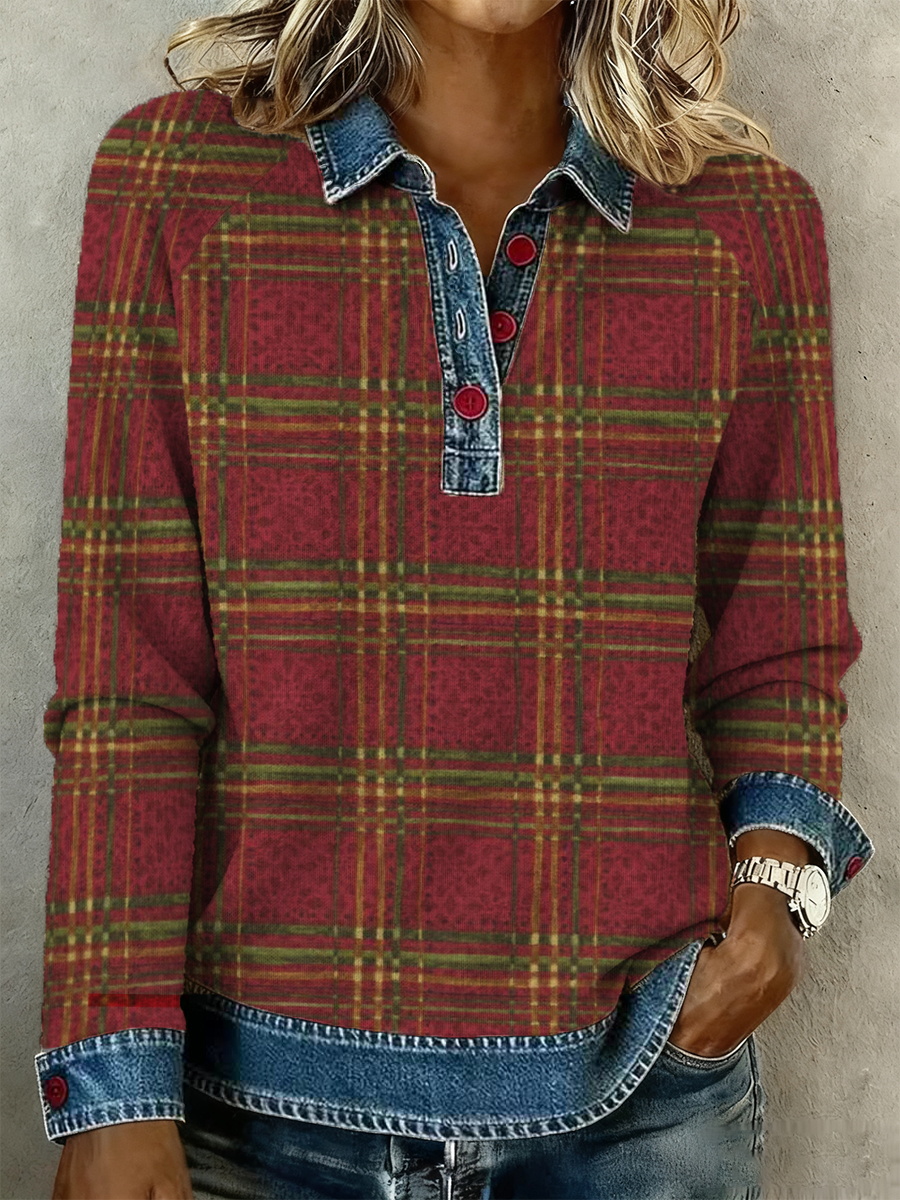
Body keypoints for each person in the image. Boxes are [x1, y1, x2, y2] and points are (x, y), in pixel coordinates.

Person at [35, 0, 874, 1197]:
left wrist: (775, 895)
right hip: (257, 1111)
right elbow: (131, 672)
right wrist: (112, 1083)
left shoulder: (743, 220)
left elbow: (779, 631)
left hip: (642, 1105)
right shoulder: (183, 185)